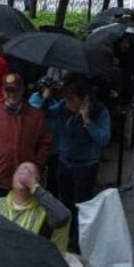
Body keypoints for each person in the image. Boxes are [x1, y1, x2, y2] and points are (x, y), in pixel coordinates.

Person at [41, 75, 111, 253]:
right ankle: (67, 236)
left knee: (81, 205)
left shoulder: (99, 111)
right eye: (65, 98)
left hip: (85, 165)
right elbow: (47, 114)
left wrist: (88, 122)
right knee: (66, 202)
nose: (67, 103)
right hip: (65, 162)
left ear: (84, 99)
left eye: (71, 99)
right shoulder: (64, 108)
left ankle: (79, 241)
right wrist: (46, 99)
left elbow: (104, 139)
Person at [0, 73, 53, 202]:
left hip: (25, 184)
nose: (12, 94)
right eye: (8, 90)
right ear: (3, 91)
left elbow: (45, 143)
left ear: (23, 90)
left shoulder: (37, 116)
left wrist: (36, 166)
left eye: (16, 90)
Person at [0, 162, 71, 253]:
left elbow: (63, 216)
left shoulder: (46, 210)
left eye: (30, 173)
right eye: (20, 171)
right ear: (12, 180)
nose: (25, 174)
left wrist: (34, 187)